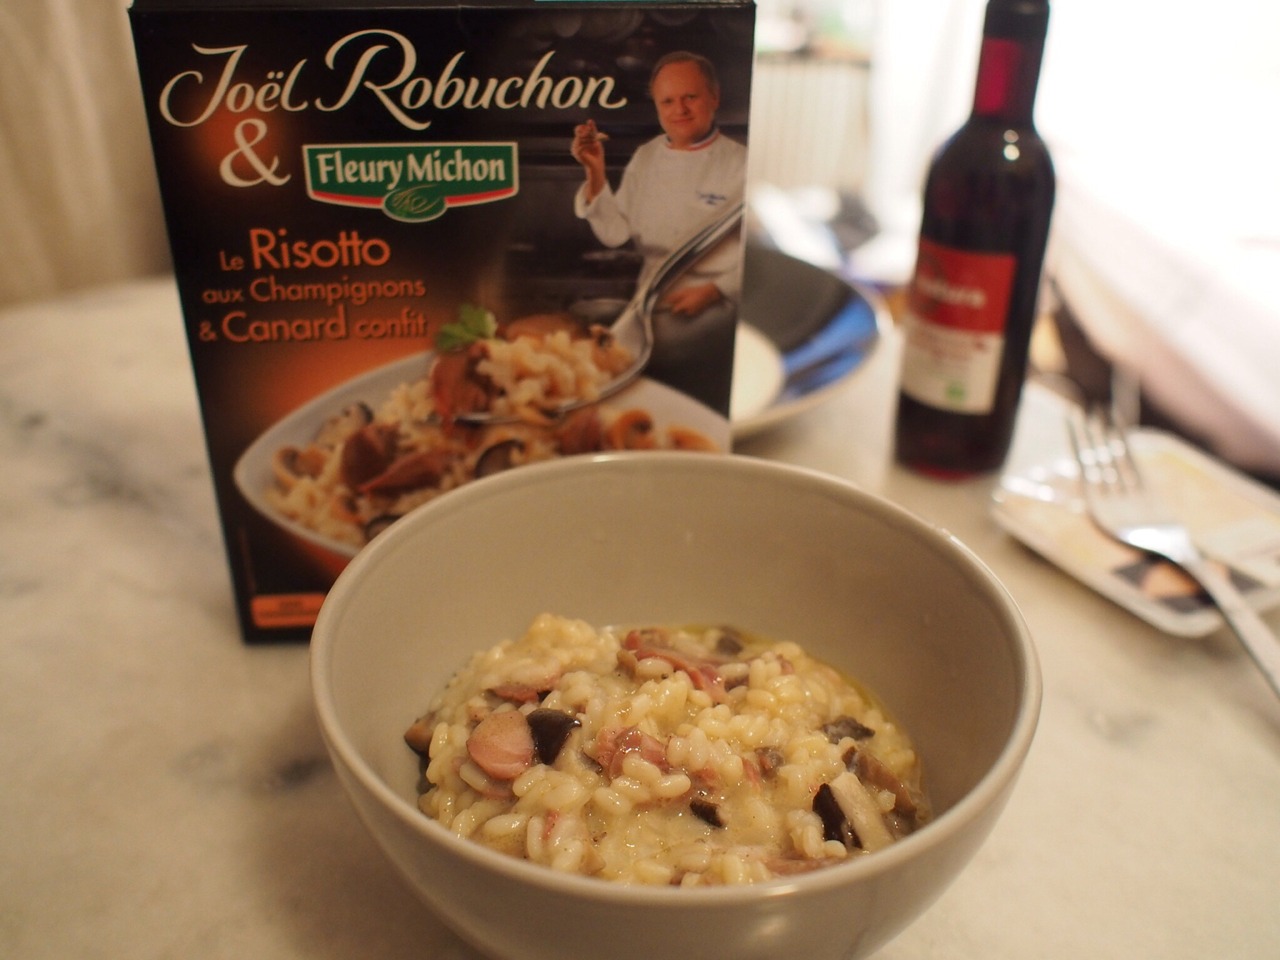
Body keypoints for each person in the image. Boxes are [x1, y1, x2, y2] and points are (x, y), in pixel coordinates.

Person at [571, 51, 747, 414]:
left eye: (690, 97)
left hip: (713, 312)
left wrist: (716, 289)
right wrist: (595, 172)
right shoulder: (646, 157)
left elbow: (754, 251)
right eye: (668, 101)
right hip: (648, 308)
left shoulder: (741, 163)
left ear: (714, 97)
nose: (679, 109)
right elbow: (615, 233)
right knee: (632, 397)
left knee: (692, 404)